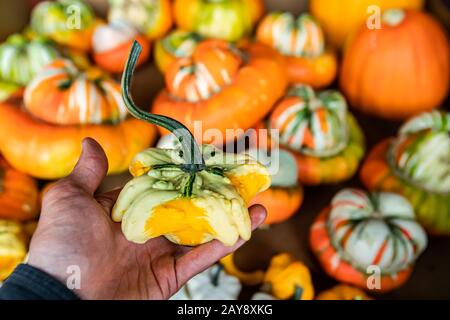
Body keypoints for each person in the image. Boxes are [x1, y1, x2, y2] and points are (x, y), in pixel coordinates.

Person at [0, 138, 266, 300]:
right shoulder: (149, 187)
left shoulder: (154, 179)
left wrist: (47, 290)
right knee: (231, 232)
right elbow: (134, 228)